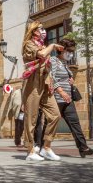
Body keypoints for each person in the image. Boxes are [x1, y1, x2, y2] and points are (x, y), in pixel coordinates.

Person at [21, 21, 63, 161]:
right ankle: (30, 150)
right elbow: (42, 54)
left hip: (45, 83)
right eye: (41, 29)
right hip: (32, 83)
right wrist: (52, 46)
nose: (44, 31)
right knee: (31, 119)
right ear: (34, 31)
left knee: (55, 114)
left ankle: (46, 148)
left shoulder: (42, 45)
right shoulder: (29, 44)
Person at [50, 38, 93, 158]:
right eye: (69, 50)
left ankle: (83, 148)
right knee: (49, 124)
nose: (71, 53)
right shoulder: (53, 60)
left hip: (67, 99)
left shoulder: (65, 63)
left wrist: (71, 81)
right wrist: (61, 91)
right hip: (56, 98)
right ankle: (39, 146)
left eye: (72, 51)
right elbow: (52, 77)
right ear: (61, 49)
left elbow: (63, 78)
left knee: (75, 123)